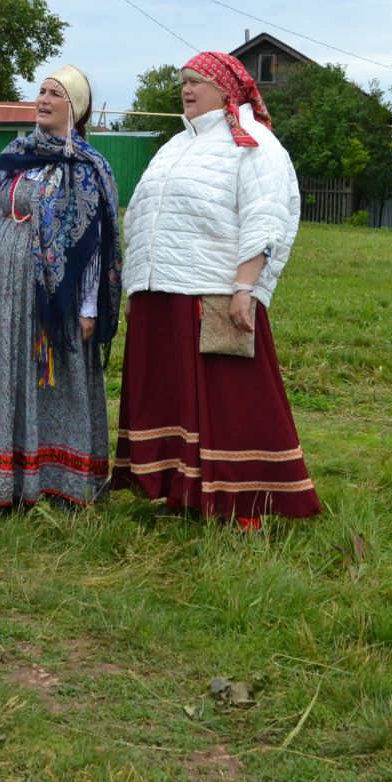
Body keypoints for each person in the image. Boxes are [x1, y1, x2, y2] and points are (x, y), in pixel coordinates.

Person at [113, 51, 321, 527]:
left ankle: (249, 498)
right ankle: (181, 489)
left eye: (197, 81)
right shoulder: (174, 147)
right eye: (183, 82)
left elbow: (266, 216)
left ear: (226, 90)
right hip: (161, 290)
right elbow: (143, 217)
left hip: (214, 293)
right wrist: (135, 288)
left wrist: (246, 287)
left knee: (229, 402)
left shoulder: (254, 143)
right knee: (174, 395)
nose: (186, 90)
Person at [0, 67, 121, 510]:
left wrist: (87, 306)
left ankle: (59, 481)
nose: (44, 99)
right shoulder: (15, 154)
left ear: (76, 108)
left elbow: (93, 243)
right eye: (42, 91)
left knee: (53, 379)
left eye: (56, 94)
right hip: (2, 287)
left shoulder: (88, 167)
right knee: (1, 374)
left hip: (56, 294)